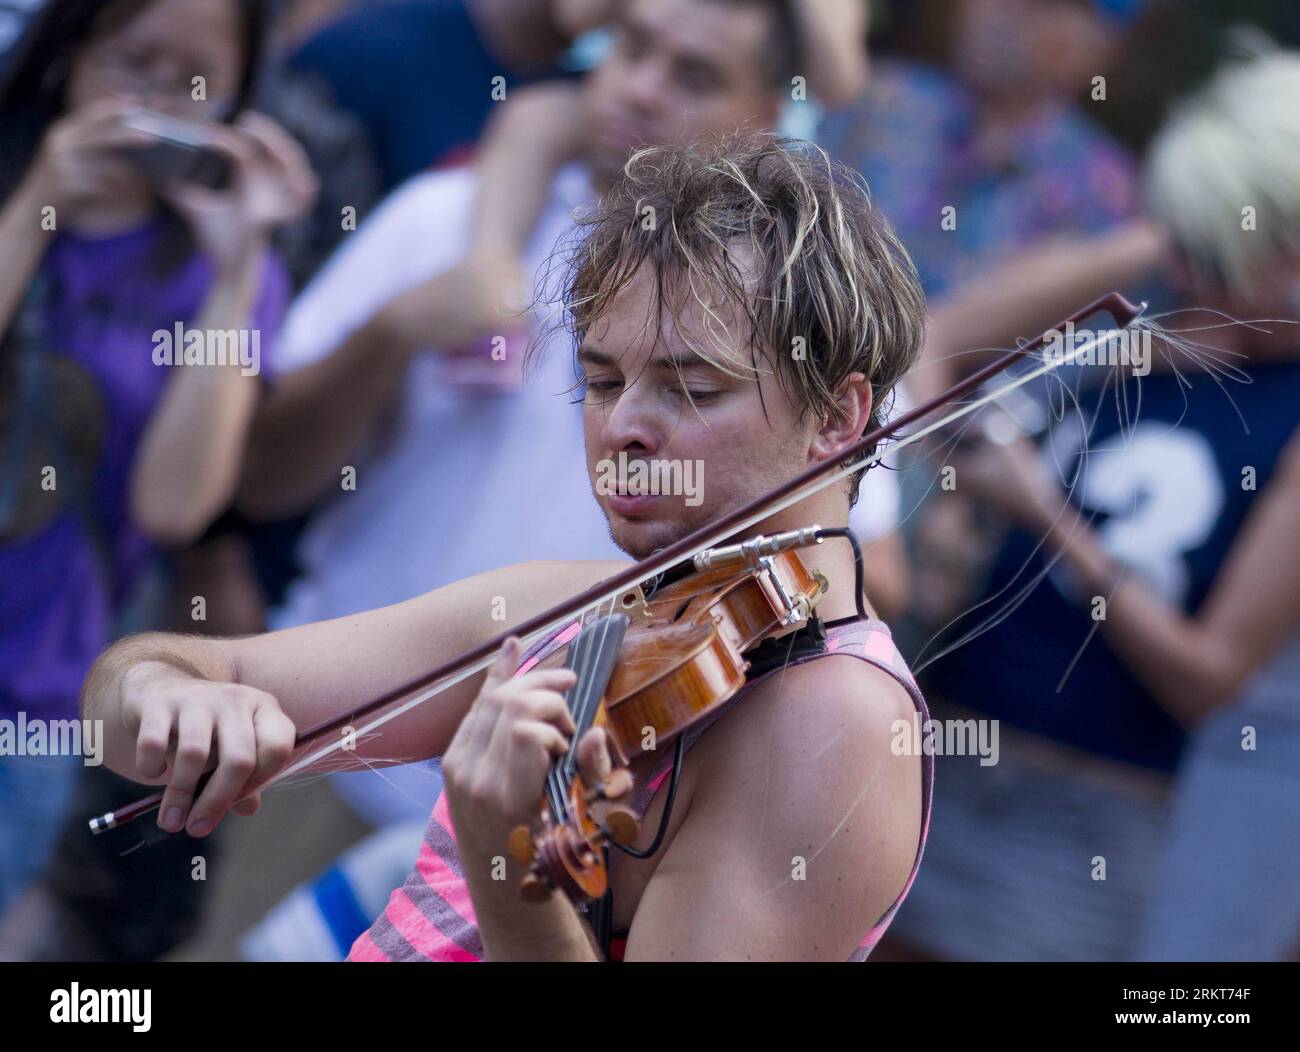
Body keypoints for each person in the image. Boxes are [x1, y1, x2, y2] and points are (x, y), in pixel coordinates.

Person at [83, 134, 935, 962]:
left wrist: (512, 868)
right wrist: (166, 698)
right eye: (602, 381)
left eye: (692, 388)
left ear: (838, 416)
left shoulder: (835, 716)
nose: (624, 427)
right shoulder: (584, 611)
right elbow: (142, 696)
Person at [235, 0, 908, 826]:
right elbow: (258, 481)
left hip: (584, 807)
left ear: (770, 115)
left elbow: (862, 573)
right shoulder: (445, 216)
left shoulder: (801, 302)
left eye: (693, 75)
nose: (640, 91)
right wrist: (396, 332)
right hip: (336, 755)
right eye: (630, 49)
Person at [880, 47, 1300, 962]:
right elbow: (938, 336)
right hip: (931, 758)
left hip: (1080, 831)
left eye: (1218, 255)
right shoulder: (1162, 290)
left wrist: (1045, 516)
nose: (1187, 273)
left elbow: (1209, 677)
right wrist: (940, 499)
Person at [0, 0, 314, 917]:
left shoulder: (229, 278)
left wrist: (235, 265)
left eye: (193, 83)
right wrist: (39, 198)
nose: (156, 102)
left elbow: (175, 507)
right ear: (72, 49)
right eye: (133, 60)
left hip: (29, 707)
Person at [818, 0, 1143, 298]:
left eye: (1036, 5)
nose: (994, 11)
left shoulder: (1104, 192)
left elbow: (1066, 351)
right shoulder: (877, 100)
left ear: (1096, 45)